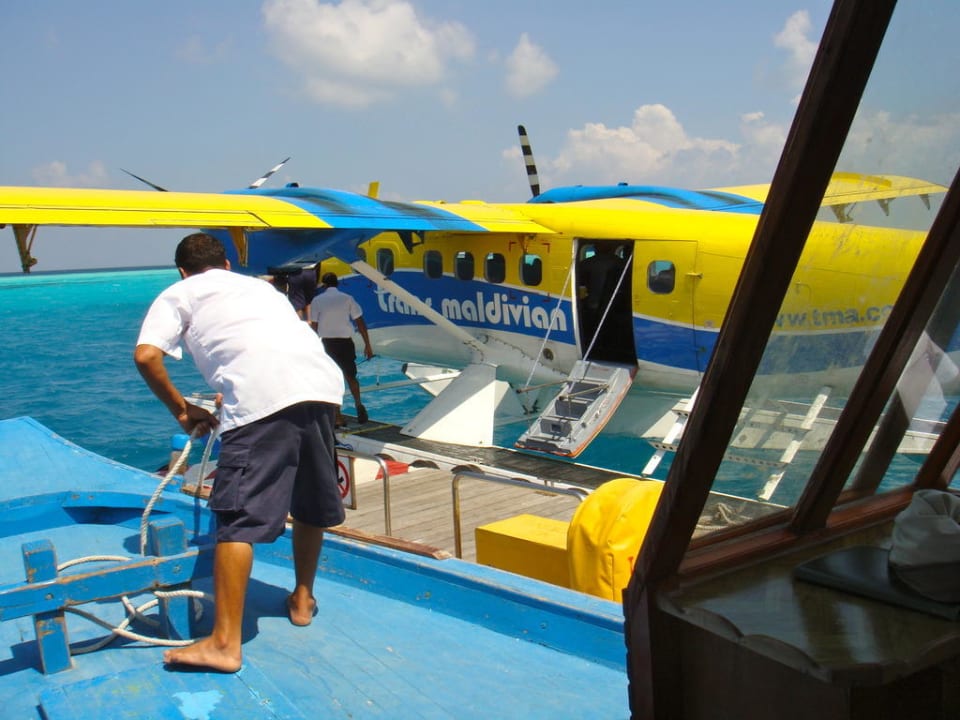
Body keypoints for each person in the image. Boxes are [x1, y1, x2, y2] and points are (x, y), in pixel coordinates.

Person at [133, 232, 346, 672]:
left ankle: (225, 644)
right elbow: (266, 342)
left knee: (235, 521)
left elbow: (147, 356)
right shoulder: (259, 287)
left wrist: (181, 409)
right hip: (322, 386)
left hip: (261, 398)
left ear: (182, 270)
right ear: (227, 264)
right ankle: (303, 600)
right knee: (309, 503)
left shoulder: (178, 292)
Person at [309, 272, 374, 425]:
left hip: (328, 344)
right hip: (346, 342)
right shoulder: (347, 298)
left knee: (332, 379)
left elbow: (314, 325)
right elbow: (360, 322)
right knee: (351, 376)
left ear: (324, 285)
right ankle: (358, 404)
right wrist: (368, 345)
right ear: (337, 283)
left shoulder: (318, 300)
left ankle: (338, 417)